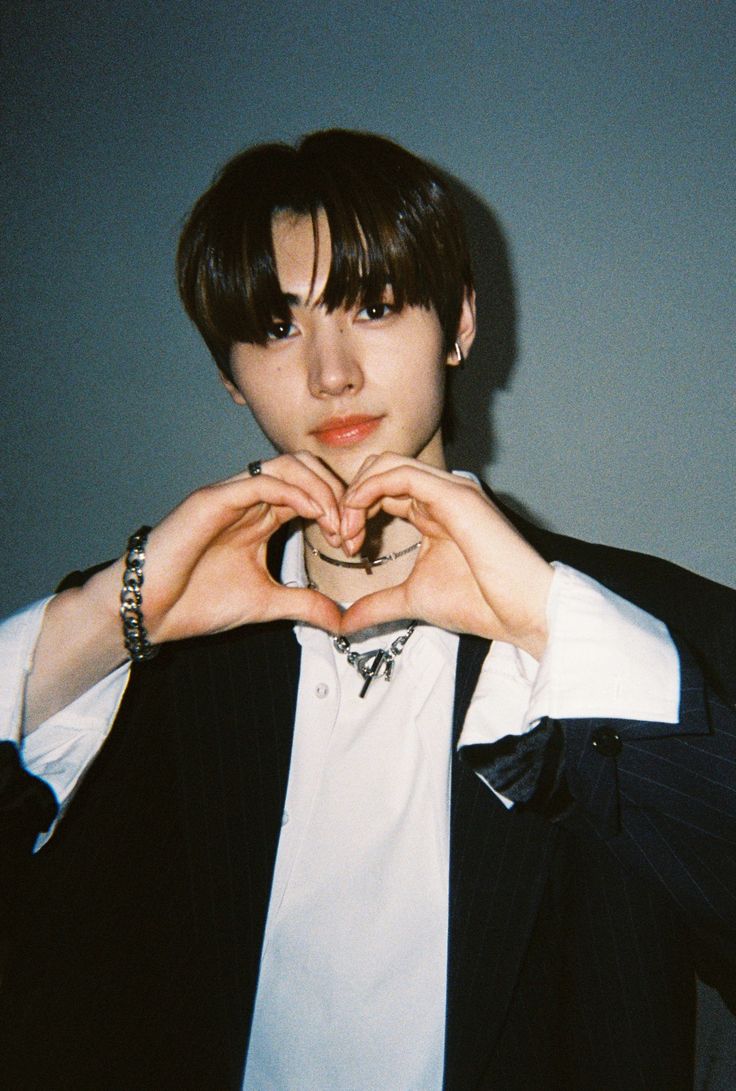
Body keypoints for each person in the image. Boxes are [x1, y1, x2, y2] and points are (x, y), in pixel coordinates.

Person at [0, 129, 734, 1091]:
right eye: (275, 327)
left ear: (459, 322)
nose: (330, 372)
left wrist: (553, 628)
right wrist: (110, 616)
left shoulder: (653, 630)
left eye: (375, 306)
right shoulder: (142, 655)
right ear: (229, 373)